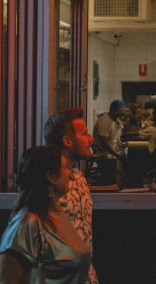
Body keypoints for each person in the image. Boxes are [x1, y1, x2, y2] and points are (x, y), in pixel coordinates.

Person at [0, 146, 91, 284]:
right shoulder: (28, 223)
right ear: (51, 176)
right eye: (66, 168)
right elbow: (5, 280)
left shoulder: (58, 215)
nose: (71, 174)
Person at [43, 107, 98, 284]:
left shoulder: (79, 178)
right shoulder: (46, 182)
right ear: (67, 140)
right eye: (85, 134)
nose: (91, 138)